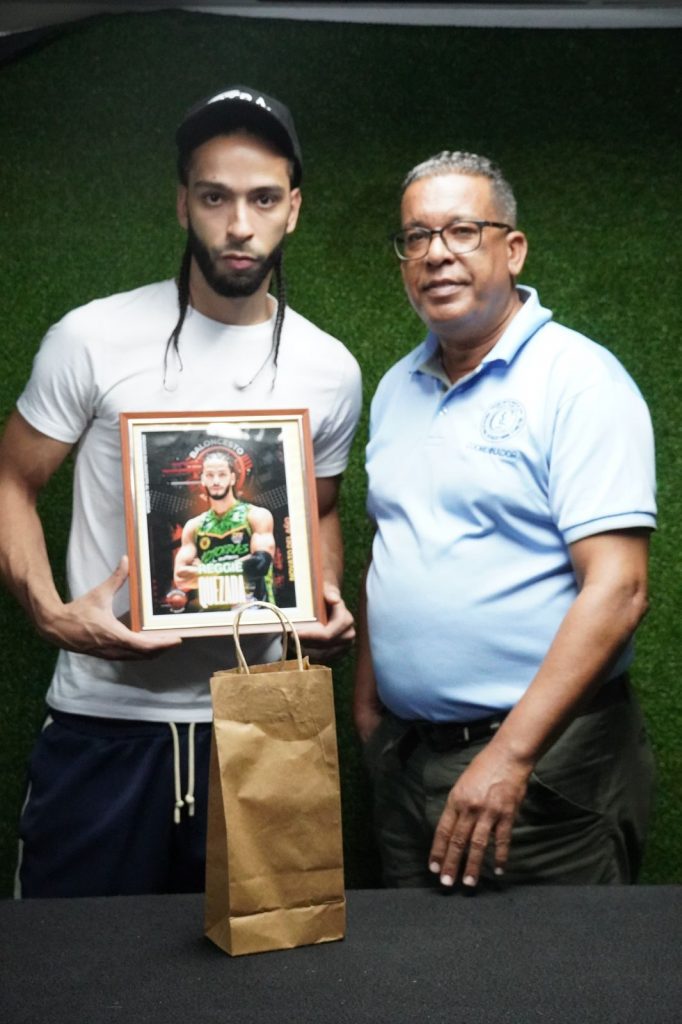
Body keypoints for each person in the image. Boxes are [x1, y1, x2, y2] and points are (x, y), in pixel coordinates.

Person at [0, 85, 362, 897]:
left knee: (263, 965)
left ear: (293, 209)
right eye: (215, 197)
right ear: (182, 205)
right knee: (67, 958)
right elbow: (10, 478)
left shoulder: (330, 368)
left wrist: (324, 598)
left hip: (260, 721)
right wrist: (50, 613)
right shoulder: (92, 337)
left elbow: (320, 509)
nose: (239, 225)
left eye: (262, 198)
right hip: (106, 721)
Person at [354, 151, 656, 890]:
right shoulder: (396, 388)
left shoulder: (579, 380)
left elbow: (618, 590)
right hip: (408, 764)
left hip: (543, 774)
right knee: (412, 963)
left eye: (462, 230)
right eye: (416, 237)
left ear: (512, 249)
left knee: (554, 963)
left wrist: (509, 757)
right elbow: (394, 546)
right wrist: (368, 708)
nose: (436, 254)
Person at [172, 449, 276, 607]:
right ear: (202, 479)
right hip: (213, 614)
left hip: (255, 610)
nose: (216, 481)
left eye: (222, 474)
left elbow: (259, 565)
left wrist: (204, 570)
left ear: (232, 478)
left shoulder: (255, 515)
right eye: (209, 475)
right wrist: (241, 565)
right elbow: (181, 578)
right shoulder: (194, 526)